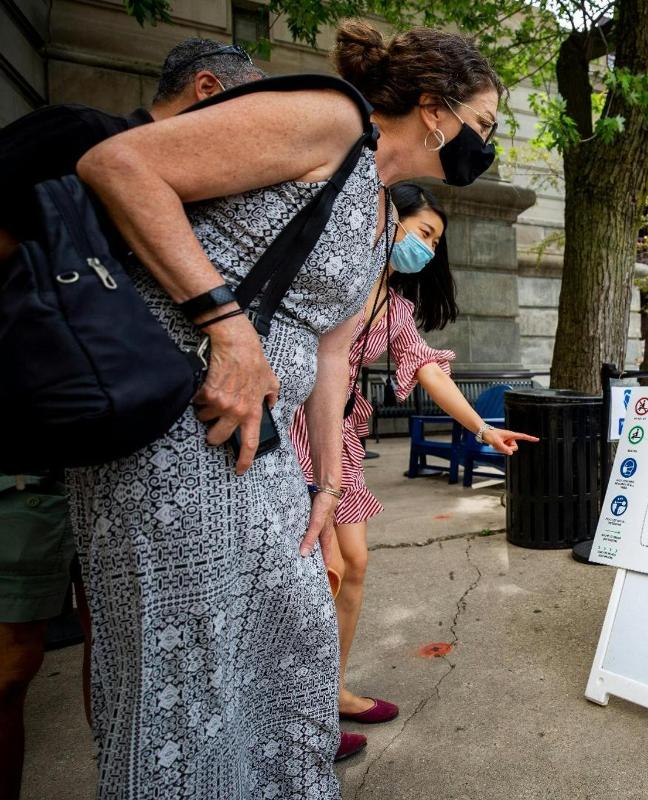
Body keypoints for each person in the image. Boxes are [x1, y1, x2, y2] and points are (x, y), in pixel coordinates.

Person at [59, 20, 503, 799]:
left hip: (266, 448)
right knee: (189, 666)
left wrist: (327, 484)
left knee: (295, 636)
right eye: (485, 124)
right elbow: (117, 164)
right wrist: (226, 329)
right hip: (180, 427)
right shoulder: (329, 120)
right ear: (435, 108)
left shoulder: (376, 207)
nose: (485, 144)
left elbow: (332, 357)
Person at [0, 38, 264, 799]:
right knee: (10, 662)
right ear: (209, 89)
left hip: (136, 456)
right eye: (247, 112)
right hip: (37, 447)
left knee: (118, 650)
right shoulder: (78, 136)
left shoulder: (200, 193)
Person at [290, 184, 536, 760]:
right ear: (385, 218)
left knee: (354, 564)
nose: (426, 248)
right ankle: (297, 716)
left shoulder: (394, 309)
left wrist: (482, 429)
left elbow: (429, 371)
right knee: (322, 568)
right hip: (298, 424)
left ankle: (332, 691)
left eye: (434, 242)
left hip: (344, 434)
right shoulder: (331, 276)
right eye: (423, 232)